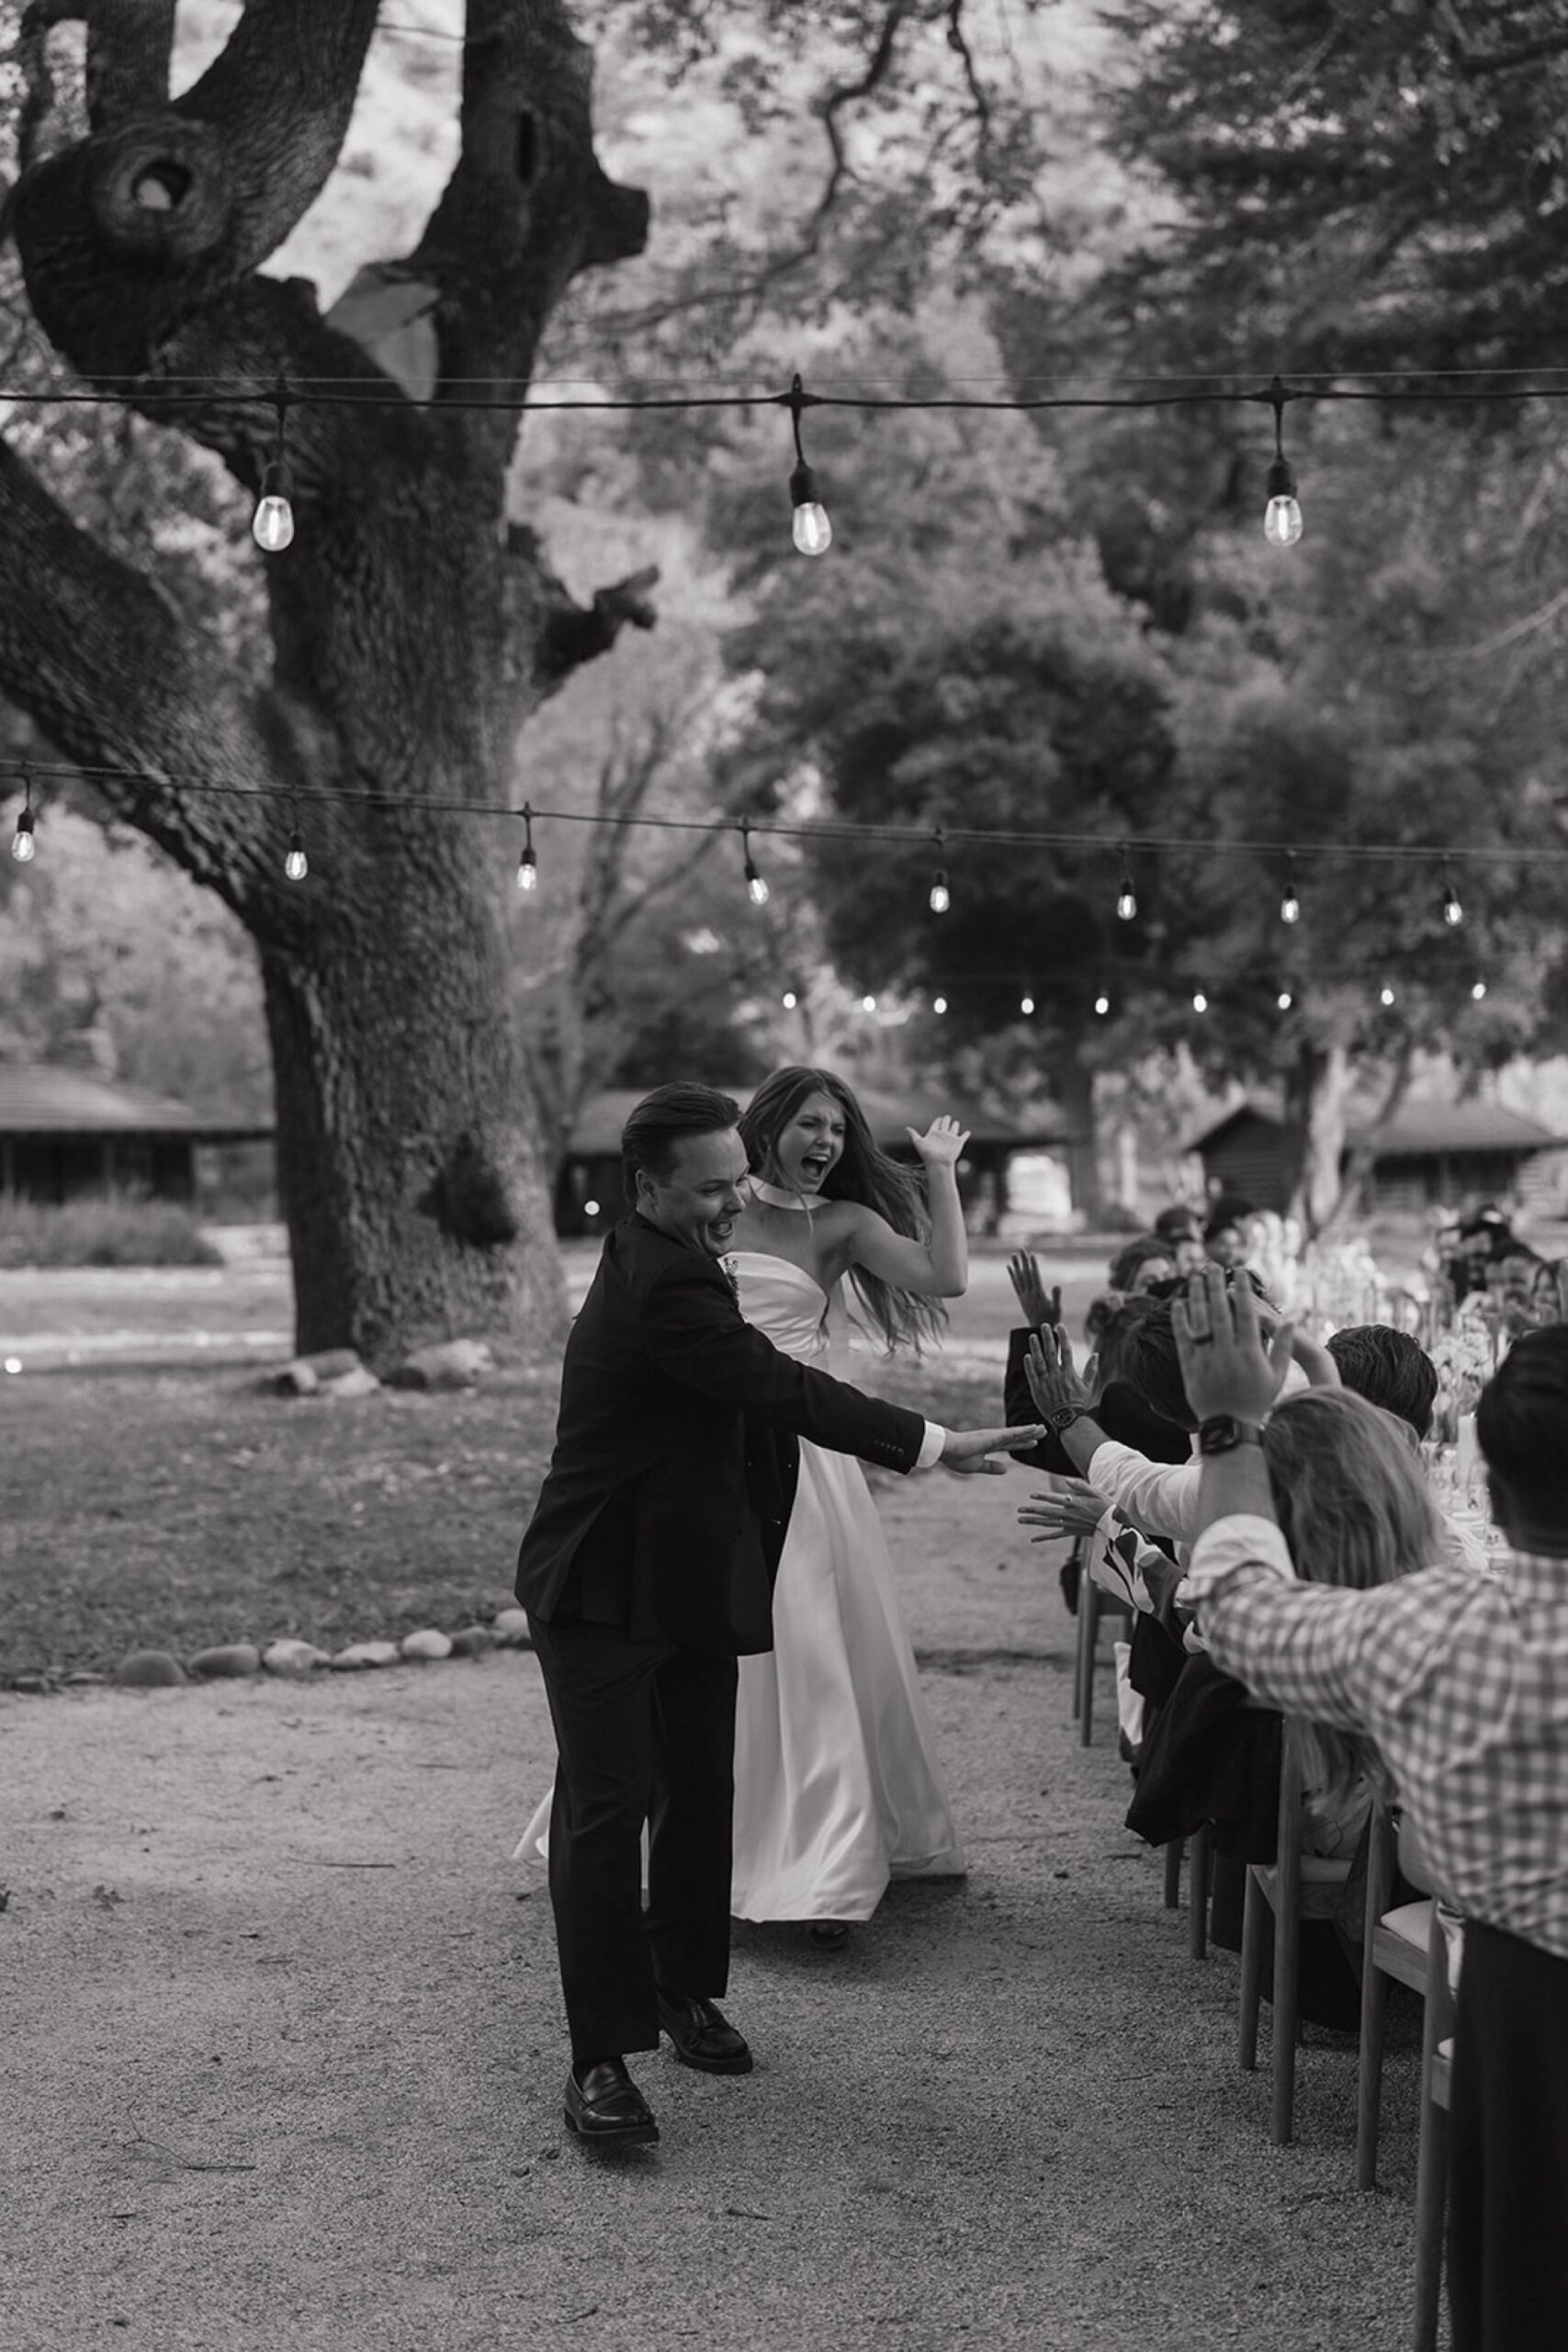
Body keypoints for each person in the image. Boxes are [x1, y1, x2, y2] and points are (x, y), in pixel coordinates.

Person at [513, 1082, 1041, 2149]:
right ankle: (600, 2060)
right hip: (604, 1585)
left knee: (704, 1791)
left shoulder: (684, 1241)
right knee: (608, 1813)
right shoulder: (663, 1284)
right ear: (646, 1187)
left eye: (730, 1184)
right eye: (707, 1189)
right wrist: (937, 1442)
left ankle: (682, 1987)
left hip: (695, 1567)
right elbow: (776, 1387)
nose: (727, 1204)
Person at [1172, 1275, 1568, 2352]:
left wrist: (1233, 1425)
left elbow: (1240, 1606)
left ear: (1494, 1470)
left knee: (1525, 2284)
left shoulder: (1431, 1632)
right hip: (1511, 1990)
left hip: (1522, 2001)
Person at [723, 1069, 969, 1945]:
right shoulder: (713, 1209)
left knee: (813, 1647)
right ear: (767, 1126)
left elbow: (944, 1277)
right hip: (706, 1455)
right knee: (711, 1651)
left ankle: (825, 1869)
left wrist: (937, 1169)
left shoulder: (841, 1225)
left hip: (804, 1454)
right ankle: (700, 1844)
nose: (825, 1142)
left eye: (838, 1128)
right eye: (809, 1124)